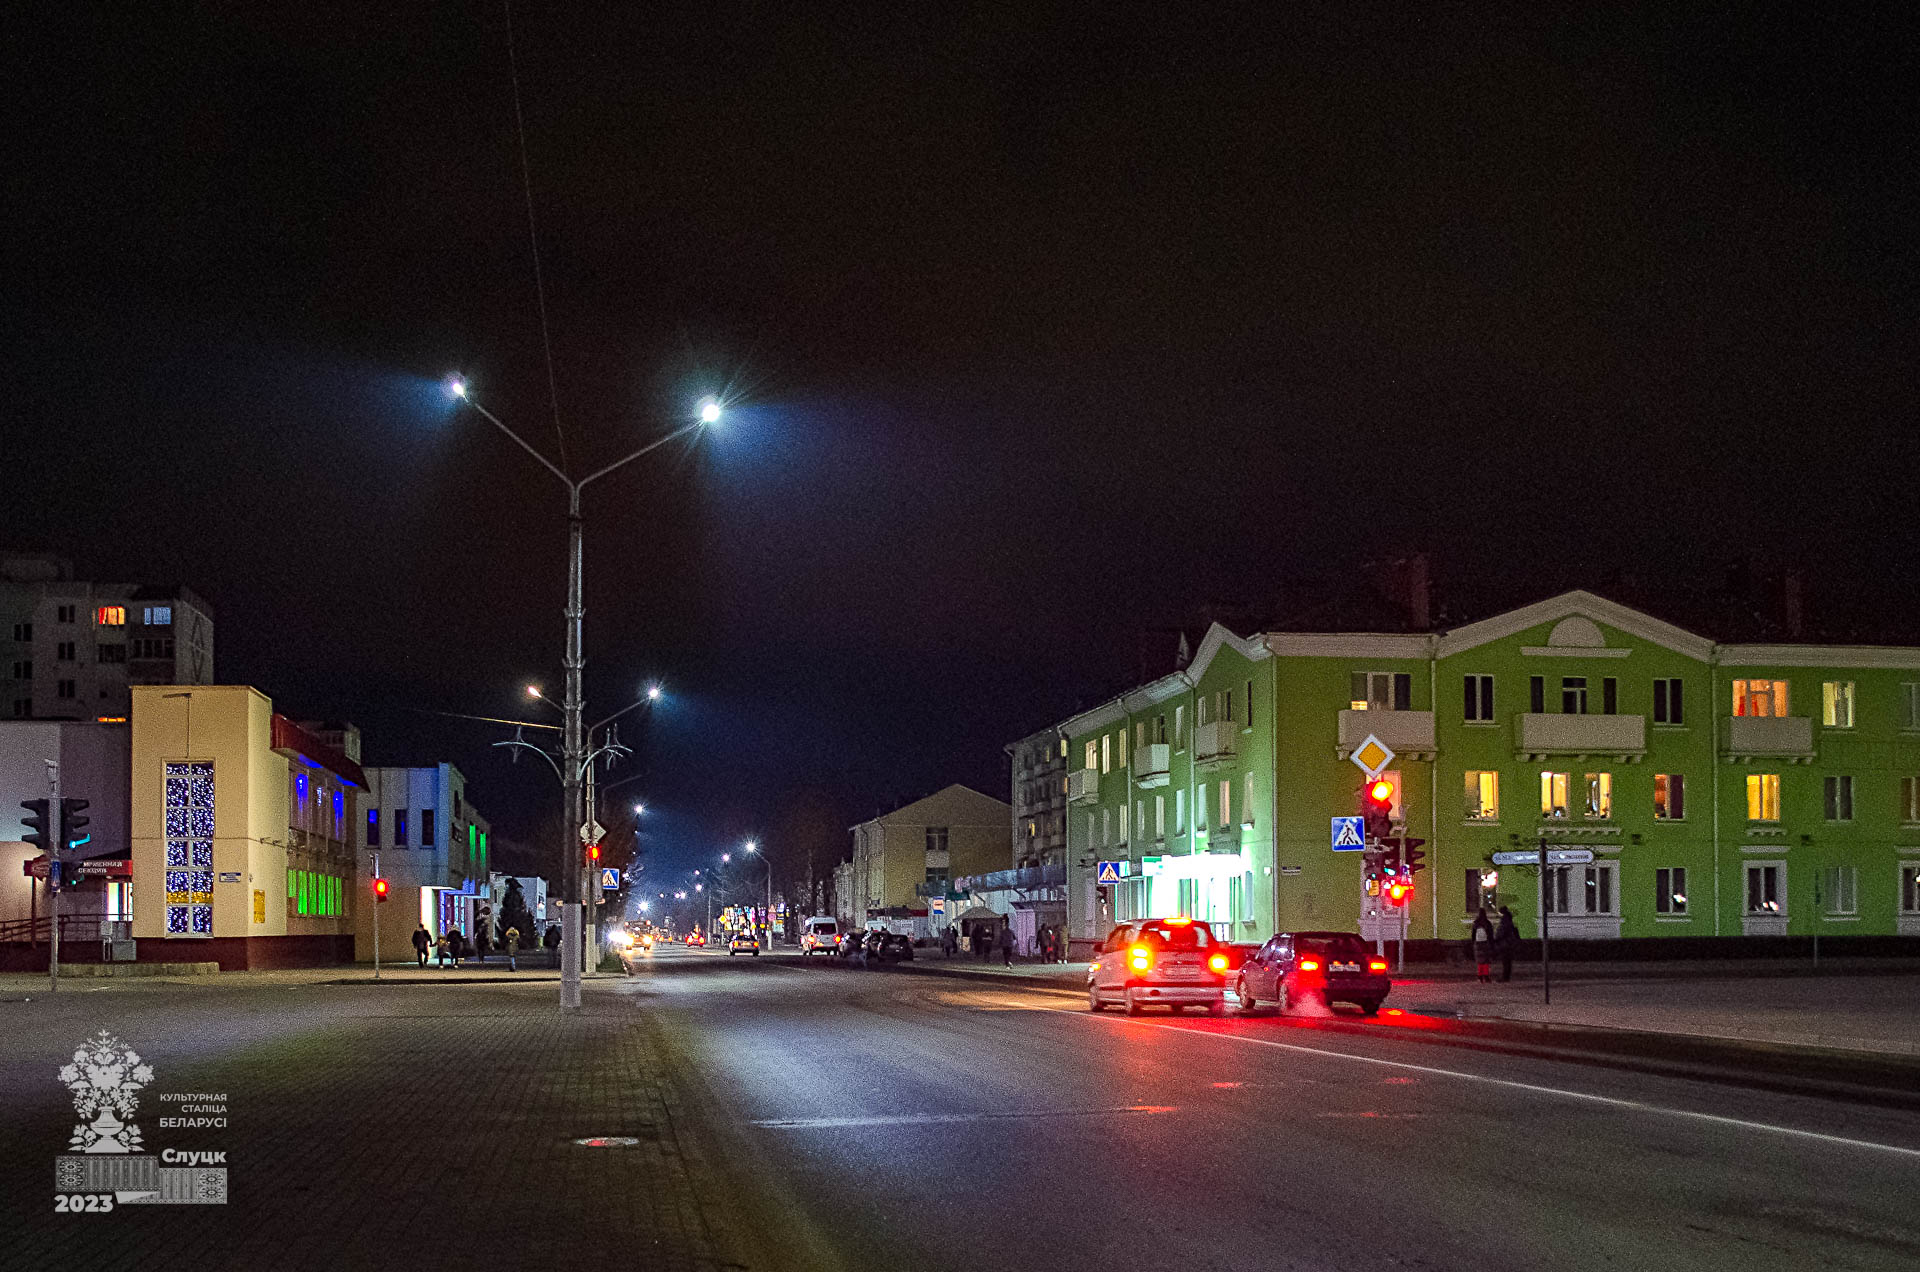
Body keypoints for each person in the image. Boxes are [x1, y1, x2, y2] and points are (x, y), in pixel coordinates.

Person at [1495, 906, 1520, 983]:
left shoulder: (1504, 921)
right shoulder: (1510, 920)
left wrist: (1496, 939)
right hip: (1510, 943)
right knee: (1508, 962)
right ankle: (1506, 976)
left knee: (1505, 961)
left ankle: (1505, 977)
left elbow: (1501, 933)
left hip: (1505, 944)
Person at [1470, 908, 1495, 984]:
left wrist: (1473, 942)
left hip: (1477, 943)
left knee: (1479, 960)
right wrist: (1492, 943)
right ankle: (1486, 976)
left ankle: (1480, 976)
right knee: (1486, 960)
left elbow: (1473, 935)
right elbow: (1491, 934)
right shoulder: (1487, 923)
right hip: (1485, 943)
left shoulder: (1475, 923)